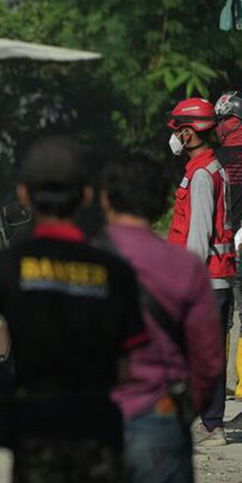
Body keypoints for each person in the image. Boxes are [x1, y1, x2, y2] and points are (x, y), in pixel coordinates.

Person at [0, 136, 148, 483]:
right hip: (96, 424)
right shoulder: (112, 269)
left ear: (25, 195)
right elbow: (127, 360)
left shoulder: (10, 263)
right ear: (87, 196)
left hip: (36, 423)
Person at [100, 156, 223, 482]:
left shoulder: (85, 262)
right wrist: (183, 409)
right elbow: (208, 360)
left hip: (94, 420)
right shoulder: (186, 268)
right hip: (161, 417)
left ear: (105, 199)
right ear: (160, 204)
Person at [166, 98, 237, 445]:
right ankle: (208, 421)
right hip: (217, 278)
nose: (176, 137)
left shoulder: (201, 176)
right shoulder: (210, 168)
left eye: (179, 130)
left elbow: (198, 233)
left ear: (190, 132)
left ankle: (210, 425)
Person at [214, 90, 242, 401]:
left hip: (221, 251)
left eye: (222, 121)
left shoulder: (213, 162)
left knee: (221, 316)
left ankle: (218, 383)